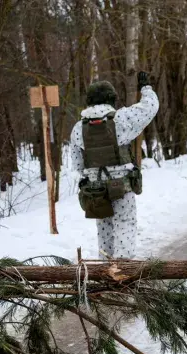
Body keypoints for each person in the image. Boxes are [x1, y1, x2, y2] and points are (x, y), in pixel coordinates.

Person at [70, 72, 159, 258]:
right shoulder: (121, 119)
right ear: (111, 99)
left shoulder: (78, 128)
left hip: (95, 188)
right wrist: (146, 88)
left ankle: (105, 271)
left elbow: (78, 165)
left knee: (104, 230)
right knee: (125, 224)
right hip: (121, 185)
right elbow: (149, 108)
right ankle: (122, 269)